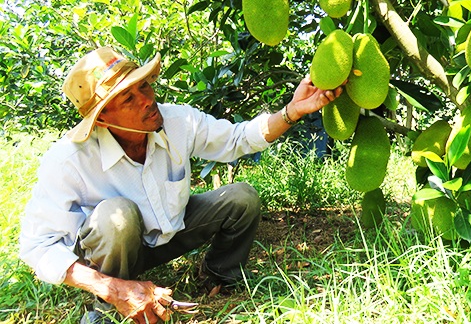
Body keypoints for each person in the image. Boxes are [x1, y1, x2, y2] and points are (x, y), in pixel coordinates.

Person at [19, 46, 342, 324]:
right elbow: (37, 247)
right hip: (112, 253)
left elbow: (237, 139)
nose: (146, 100)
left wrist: (292, 111)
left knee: (241, 196)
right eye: (128, 98)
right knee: (116, 215)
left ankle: (219, 276)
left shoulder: (177, 121)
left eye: (145, 86)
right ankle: (109, 310)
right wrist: (112, 287)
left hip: (167, 235)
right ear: (102, 119)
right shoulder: (69, 160)